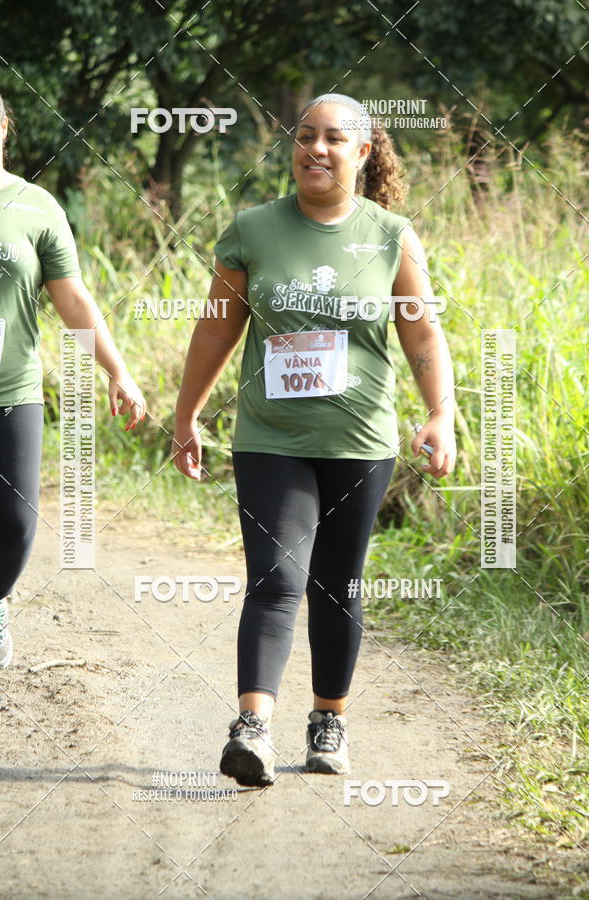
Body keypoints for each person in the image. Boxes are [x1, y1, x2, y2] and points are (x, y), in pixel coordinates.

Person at [173, 92, 456, 786]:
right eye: (305, 137)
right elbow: (216, 327)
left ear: (363, 152)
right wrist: (187, 416)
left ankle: (329, 718)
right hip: (270, 436)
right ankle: (253, 727)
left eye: (334, 138)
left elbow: (421, 331)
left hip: (360, 441)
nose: (316, 150)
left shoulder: (391, 235)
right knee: (275, 579)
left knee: (337, 584)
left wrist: (440, 412)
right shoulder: (253, 229)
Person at [0, 82, 146, 671]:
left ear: (4, 128)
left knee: (13, 521)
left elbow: (74, 299)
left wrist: (118, 372)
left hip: (10, 391)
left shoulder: (35, 207)